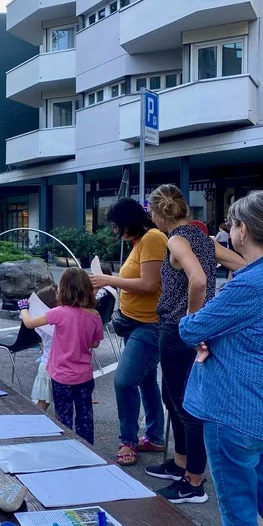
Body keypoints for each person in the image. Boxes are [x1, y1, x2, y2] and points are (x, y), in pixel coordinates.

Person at [179, 191, 263, 526]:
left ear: (242, 230)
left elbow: (190, 329)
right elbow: (249, 329)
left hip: (231, 410)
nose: (229, 231)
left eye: (231, 224)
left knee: (238, 515)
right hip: (262, 407)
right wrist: (211, 334)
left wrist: (200, 328)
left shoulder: (251, 282)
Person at [146, 185, 245, 504]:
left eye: (151, 213)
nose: (151, 218)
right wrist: (218, 304)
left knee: (187, 405)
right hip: (184, 331)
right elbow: (243, 265)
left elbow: (199, 279)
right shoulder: (202, 238)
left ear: (160, 213)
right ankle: (180, 464)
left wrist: (192, 318)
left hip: (178, 331)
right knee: (174, 398)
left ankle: (193, 483)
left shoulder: (176, 239)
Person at [89, 198, 165, 466]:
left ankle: (128, 441)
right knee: (145, 380)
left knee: (124, 380)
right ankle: (155, 436)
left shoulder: (154, 238)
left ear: (127, 221)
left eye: (115, 225)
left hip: (149, 325)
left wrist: (108, 280)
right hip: (134, 323)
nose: (114, 230)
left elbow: (148, 284)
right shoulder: (139, 243)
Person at [18, 269, 103, 444]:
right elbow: (95, 343)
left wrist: (24, 308)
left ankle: (66, 448)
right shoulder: (95, 315)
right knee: (85, 415)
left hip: (62, 376)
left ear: (63, 290)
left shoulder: (59, 312)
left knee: (63, 416)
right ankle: (88, 448)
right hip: (85, 376)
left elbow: (29, 323)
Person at [28, 284, 59, 411]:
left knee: (45, 403)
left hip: (49, 364)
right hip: (50, 366)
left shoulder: (45, 320)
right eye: (58, 294)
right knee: (43, 405)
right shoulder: (53, 319)